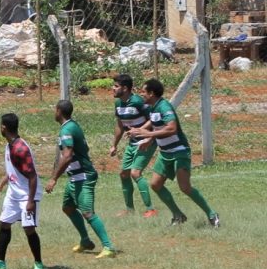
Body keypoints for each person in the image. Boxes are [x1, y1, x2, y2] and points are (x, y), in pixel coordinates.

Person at [128, 78, 220, 228]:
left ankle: (212, 214)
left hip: (179, 151)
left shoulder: (164, 107)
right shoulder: (152, 107)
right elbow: (157, 127)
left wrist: (148, 134)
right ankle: (178, 215)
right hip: (165, 153)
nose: (141, 94)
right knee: (155, 184)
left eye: (143, 91)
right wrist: (148, 140)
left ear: (151, 93)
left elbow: (171, 128)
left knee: (185, 187)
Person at [45, 100, 116, 259]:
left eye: (54, 110)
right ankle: (85, 241)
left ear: (59, 111)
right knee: (68, 208)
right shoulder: (70, 126)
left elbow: (68, 156)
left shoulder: (67, 129)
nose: (54, 113)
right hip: (74, 178)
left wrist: (53, 179)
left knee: (87, 212)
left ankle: (108, 247)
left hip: (83, 176)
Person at [0, 113, 46, 269]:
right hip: (13, 192)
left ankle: (38, 263)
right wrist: (1, 185)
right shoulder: (10, 145)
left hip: (27, 194)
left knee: (28, 228)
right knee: (4, 223)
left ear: (4, 127)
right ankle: (0, 262)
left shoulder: (20, 148)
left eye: (0, 125)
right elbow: (14, 170)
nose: (0, 128)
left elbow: (32, 176)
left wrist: (31, 201)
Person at [109, 74, 158, 218]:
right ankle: (129, 210)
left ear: (125, 88)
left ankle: (151, 209)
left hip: (146, 142)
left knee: (135, 173)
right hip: (132, 143)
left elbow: (154, 119)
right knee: (124, 174)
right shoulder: (118, 104)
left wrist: (145, 134)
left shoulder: (138, 101)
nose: (113, 88)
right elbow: (119, 124)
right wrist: (114, 145)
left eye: (116, 86)